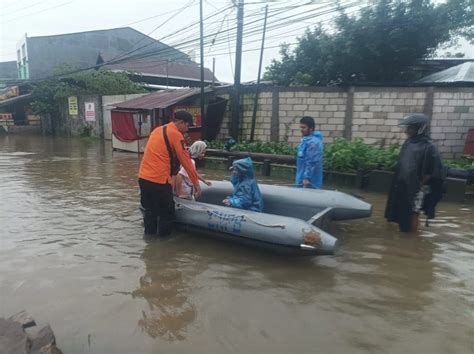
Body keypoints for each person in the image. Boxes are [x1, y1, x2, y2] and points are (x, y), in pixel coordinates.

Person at [138, 111, 201, 237]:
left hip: (143, 178)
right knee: (167, 213)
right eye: (187, 126)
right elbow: (186, 161)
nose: (187, 130)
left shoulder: (157, 130)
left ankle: (149, 241)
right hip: (159, 181)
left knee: (150, 211)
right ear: (181, 123)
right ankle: (164, 244)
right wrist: (196, 185)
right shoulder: (176, 135)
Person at [385, 113, 444, 233]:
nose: (406, 131)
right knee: (402, 208)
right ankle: (404, 232)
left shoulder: (429, 147)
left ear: (420, 129)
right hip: (403, 184)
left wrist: (418, 185)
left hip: (418, 186)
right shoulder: (409, 143)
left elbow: (433, 171)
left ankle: (410, 238)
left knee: (413, 211)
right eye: (405, 127)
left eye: (409, 128)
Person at [295, 116, 324, 188]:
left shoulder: (313, 143)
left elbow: (311, 162)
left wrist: (306, 178)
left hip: (309, 180)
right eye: (301, 127)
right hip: (301, 175)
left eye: (304, 127)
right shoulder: (306, 140)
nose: (301, 130)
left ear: (311, 128)